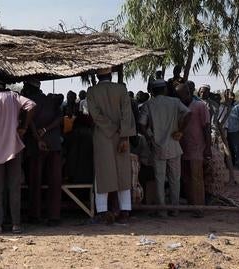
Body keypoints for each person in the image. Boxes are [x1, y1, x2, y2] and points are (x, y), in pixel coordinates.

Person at [0, 75, 36, 234]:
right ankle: (16, 224)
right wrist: (24, 127)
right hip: (14, 149)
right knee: (14, 188)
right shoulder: (13, 97)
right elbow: (31, 105)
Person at [86, 68, 136, 224]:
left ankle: (102, 211)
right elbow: (127, 114)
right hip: (122, 136)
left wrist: (111, 129)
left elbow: (95, 115)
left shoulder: (92, 91)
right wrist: (123, 135)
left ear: (97, 76)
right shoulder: (121, 89)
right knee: (123, 171)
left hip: (103, 136)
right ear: (110, 75)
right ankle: (125, 211)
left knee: (102, 173)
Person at [139, 80, 191, 217]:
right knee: (175, 178)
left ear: (153, 91)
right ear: (165, 90)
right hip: (174, 145)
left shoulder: (148, 104)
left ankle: (162, 210)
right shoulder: (174, 102)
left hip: (157, 146)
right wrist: (181, 131)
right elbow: (188, 113)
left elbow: (141, 124)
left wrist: (150, 136)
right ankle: (175, 208)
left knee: (159, 179)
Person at [22, 79, 62, 226]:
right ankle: (54, 216)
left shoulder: (28, 102)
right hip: (54, 144)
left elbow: (29, 122)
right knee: (55, 180)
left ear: (28, 87)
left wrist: (39, 137)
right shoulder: (51, 100)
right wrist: (47, 130)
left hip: (36, 145)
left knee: (35, 181)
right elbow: (59, 118)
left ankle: (34, 215)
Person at [176, 84, 210, 216]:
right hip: (183, 147)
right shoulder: (180, 107)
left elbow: (206, 127)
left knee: (197, 178)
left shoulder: (200, 106)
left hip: (197, 147)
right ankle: (191, 204)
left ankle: (199, 207)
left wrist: (207, 147)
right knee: (186, 178)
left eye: (181, 95)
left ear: (188, 93)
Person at [226, 93, 239, 169]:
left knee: (237, 148)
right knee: (229, 149)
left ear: (233, 97)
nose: (229, 98)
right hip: (226, 131)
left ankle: (238, 164)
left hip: (235, 130)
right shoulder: (224, 106)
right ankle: (231, 164)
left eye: (231, 96)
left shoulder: (238, 106)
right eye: (228, 96)